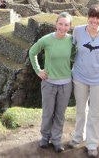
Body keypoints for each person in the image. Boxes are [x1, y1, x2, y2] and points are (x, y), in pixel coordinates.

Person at [69, 4, 99, 157]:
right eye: (91, 19)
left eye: (97, 20)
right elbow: (71, 47)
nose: (94, 23)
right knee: (81, 109)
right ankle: (78, 136)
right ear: (87, 18)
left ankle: (92, 144)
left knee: (95, 112)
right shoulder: (78, 31)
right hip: (80, 76)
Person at [28, 12, 73, 153]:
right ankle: (45, 137)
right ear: (56, 24)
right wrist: (38, 71)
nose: (63, 27)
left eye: (66, 25)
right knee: (48, 112)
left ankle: (57, 139)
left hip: (65, 83)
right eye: (60, 24)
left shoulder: (72, 40)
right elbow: (32, 52)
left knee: (60, 113)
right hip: (49, 82)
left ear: (70, 27)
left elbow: (78, 56)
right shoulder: (46, 40)